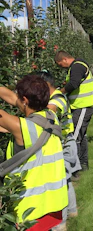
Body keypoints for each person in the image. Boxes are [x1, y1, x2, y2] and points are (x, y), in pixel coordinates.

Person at [0, 76, 68, 230]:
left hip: (29, 212)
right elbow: (11, 97)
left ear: (24, 99)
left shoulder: (22, 128)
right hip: (54, 204)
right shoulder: (51, 117)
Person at [36, 71, 80, 229]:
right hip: (63, 144)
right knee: (65, 180)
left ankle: (62, 221)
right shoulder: (53, 97)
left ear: (45, 86)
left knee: (60, 182)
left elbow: (49, 112)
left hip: (65, 145)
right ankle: (72, 210)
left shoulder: (57, 99)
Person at [55, 51, 93, 172]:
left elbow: (74, 84)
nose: (61, 67)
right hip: (80, 106)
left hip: (83, 106)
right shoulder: (77, 66)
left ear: (64, 59)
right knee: (81, 136)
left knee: (74, 137)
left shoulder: (77, 66)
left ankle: (75, 169)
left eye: (60, 64)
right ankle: (83, 164)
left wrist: (60, 92)